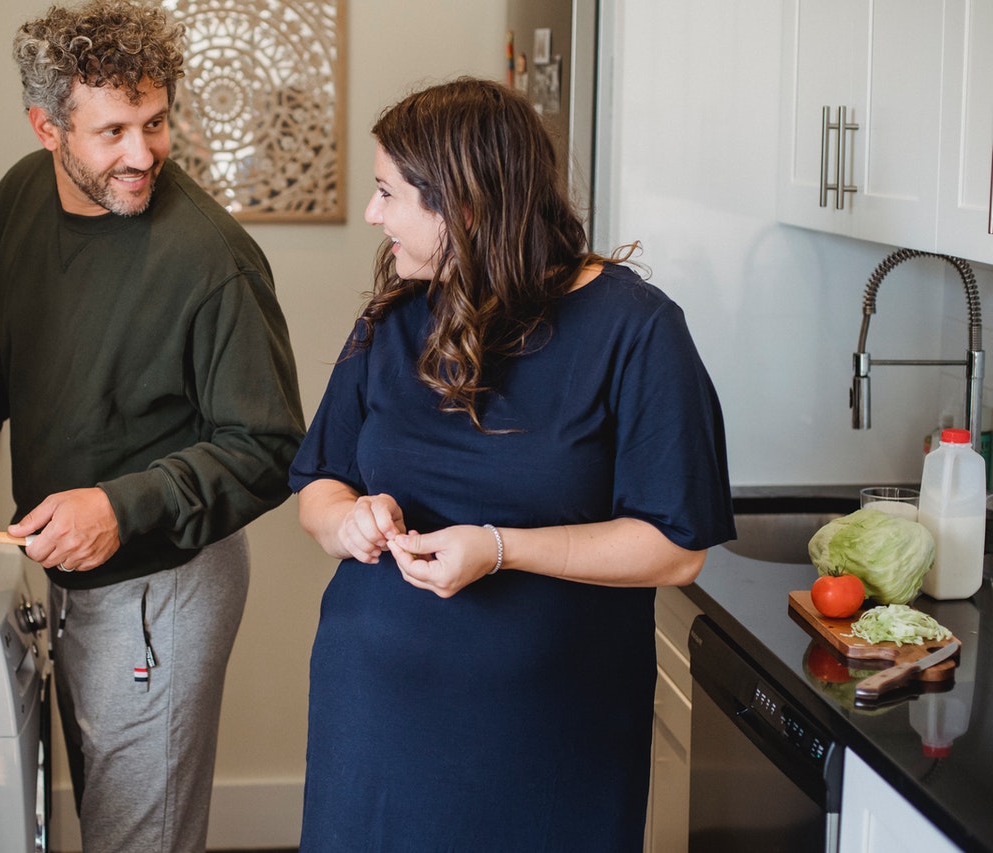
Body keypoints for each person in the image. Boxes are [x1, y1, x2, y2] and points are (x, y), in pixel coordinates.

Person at [0, 2, 305, 851]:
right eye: (112, 131)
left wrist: (120, 507)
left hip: (163, 581)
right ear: (48, 128)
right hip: (76, 571)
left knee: (135, 837)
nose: (142, 154)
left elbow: (265, 447)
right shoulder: (17, 201)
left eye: (154, 123)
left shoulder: (210, 259)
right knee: (110, 821)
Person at [288, 77, 735, 851]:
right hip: (374, 718)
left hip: (551, 731)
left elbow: (677, 545)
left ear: (461, 206)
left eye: (389, 193)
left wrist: (499, 547)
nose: (372, 214)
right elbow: (319, 484)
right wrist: (346, 519)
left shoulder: (638, 331)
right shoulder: (393, 317)